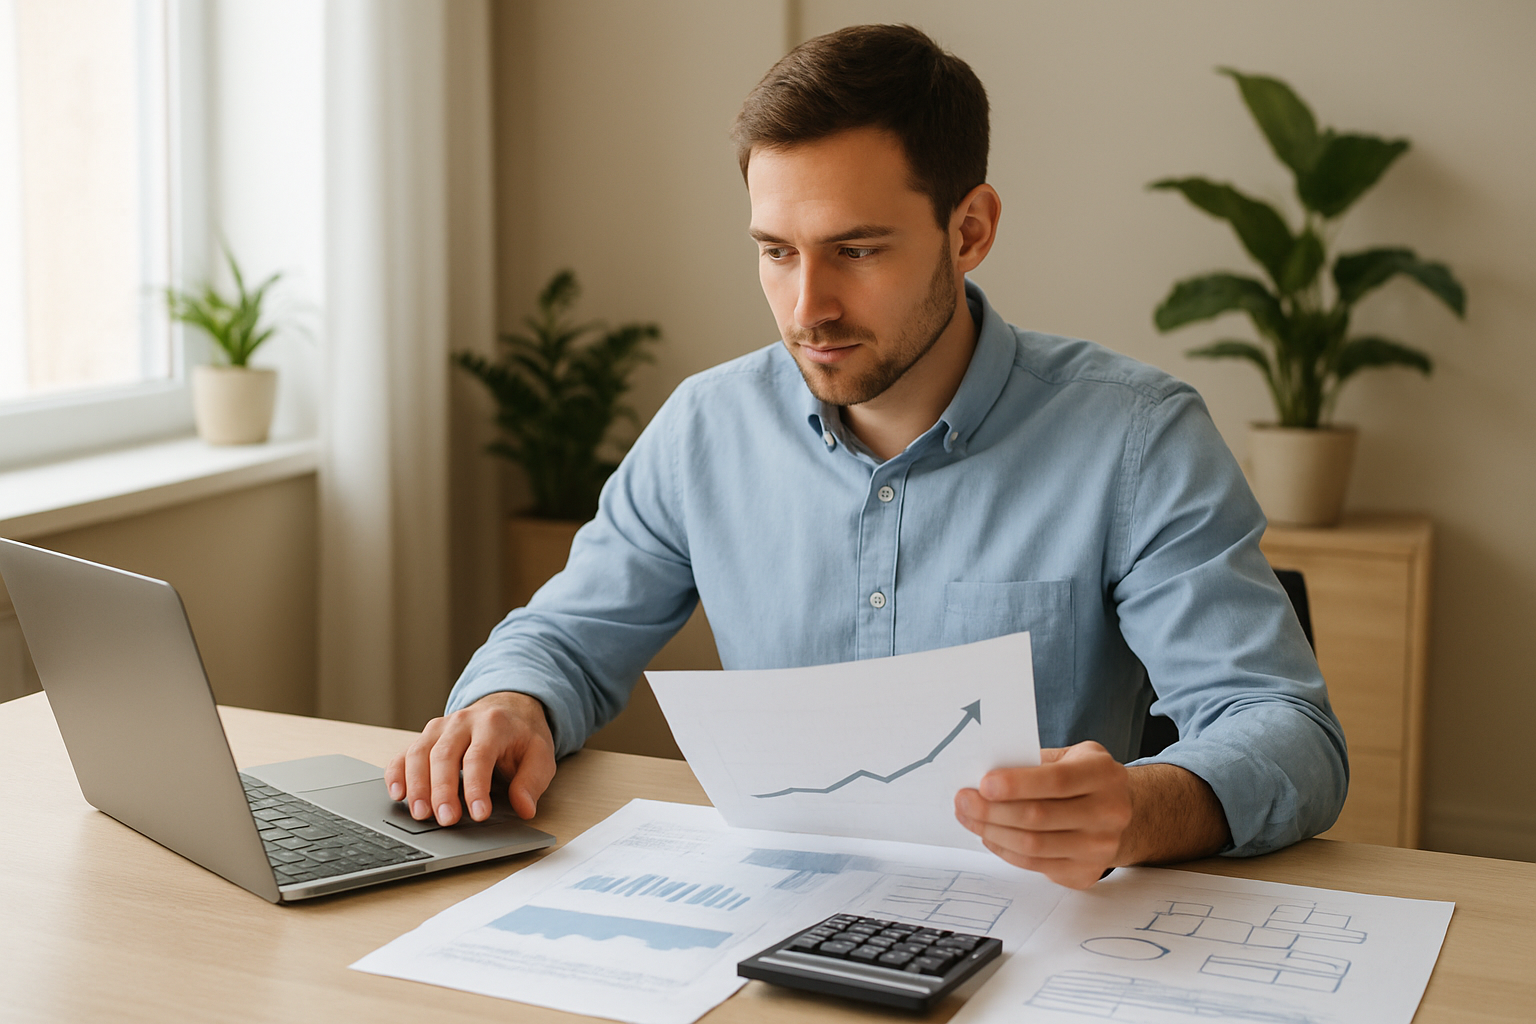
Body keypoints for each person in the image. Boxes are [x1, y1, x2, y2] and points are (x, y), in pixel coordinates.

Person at [387, 24, 1346, 890]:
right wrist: (512, 703)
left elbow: (1288, 732)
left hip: (1042, 940)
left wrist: (1142, 808)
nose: (808, 309)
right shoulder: (705, 428)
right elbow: (562, 637)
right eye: (776, 252)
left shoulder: (1137, 439)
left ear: (968, 230)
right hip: (773, 921)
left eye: (855, 250)